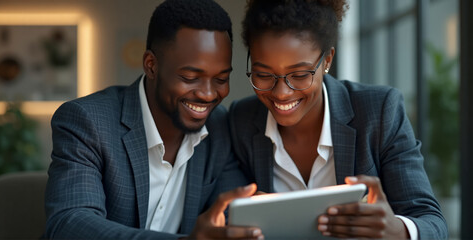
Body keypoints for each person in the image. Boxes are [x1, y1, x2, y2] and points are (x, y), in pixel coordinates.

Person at [44, 0, 264, 239]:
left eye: (221, 79)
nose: (208, 94)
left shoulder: (220, 126)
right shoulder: (87, 121)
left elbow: (231, 218)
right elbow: (70, 224)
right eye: (190, 77)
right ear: (151, 65)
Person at [229, 0, 448, 239]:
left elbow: (432, 223)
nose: (281, 92)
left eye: (300, 75)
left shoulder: (379, 111)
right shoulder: (241, 121)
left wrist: (398, 230)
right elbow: (225, 215)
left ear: (328, 60)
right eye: (263, 74)